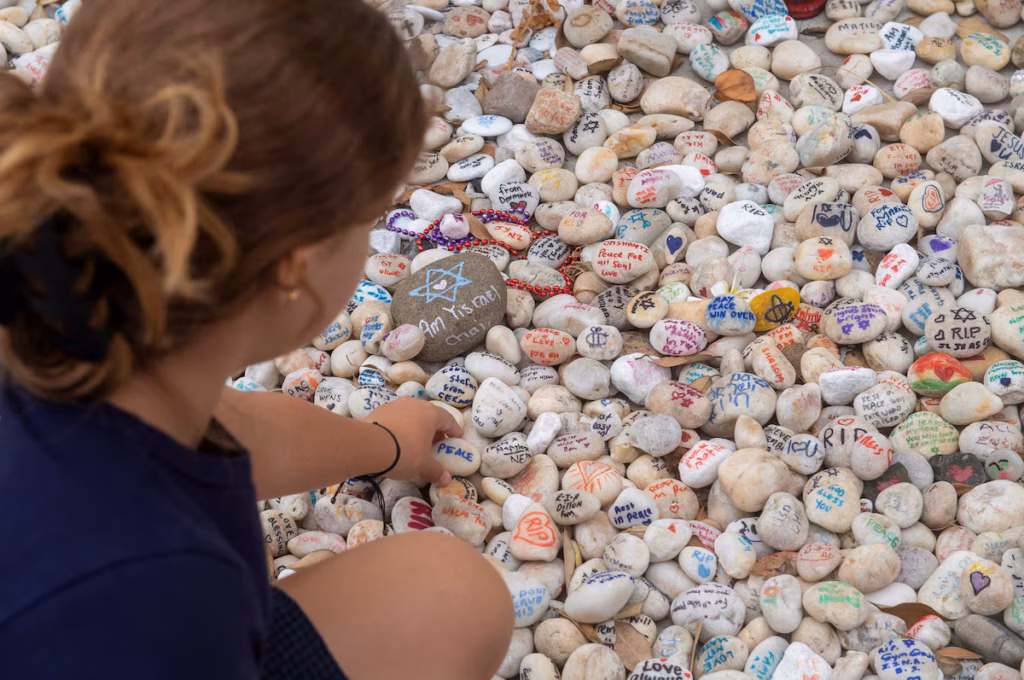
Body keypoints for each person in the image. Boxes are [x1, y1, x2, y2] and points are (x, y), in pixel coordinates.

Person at [0, 0, 515, 678]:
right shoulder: (158, 584)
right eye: (369, 218)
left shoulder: (50, 286)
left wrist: (383, 443)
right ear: (295, 266)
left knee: (450, 595)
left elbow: (231, 428)